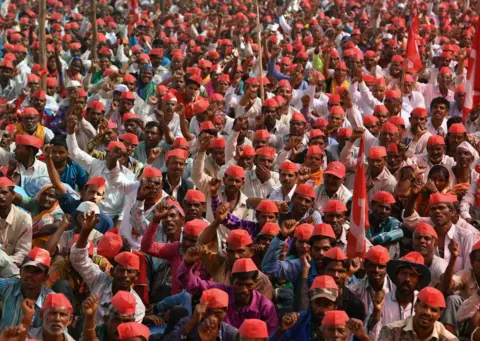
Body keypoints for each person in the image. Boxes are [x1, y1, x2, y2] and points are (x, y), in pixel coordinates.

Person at [179, 255, 278, 333]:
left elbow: (270, 336)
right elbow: (193, 284)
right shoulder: (220, 292)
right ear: (231, 280)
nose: (244, 290)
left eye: (249, 285)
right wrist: (188, 263)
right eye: (239, 284)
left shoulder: (265, 306)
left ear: (255, 283)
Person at [0, 247, 53, 330]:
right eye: (27, 269)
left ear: (46, 277)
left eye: (37, 271)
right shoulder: (8, 285)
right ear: (20, 272)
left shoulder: (51, 300)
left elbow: (61, 333)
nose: (30, 274)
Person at [378, 287, 456, 341]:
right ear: (415, 306)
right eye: (424, 306)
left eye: (434, 310)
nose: (427, 313)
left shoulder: (448, 339)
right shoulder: (391, 331)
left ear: (440, 314)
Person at [163, 288, 238, 341]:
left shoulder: (230, 334)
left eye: (218, 313)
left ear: (225, 312)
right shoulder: (186, 323)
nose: (212, 318)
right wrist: (192, 322)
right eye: (208, 312)